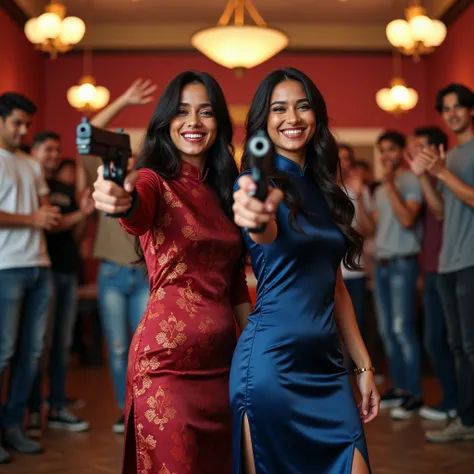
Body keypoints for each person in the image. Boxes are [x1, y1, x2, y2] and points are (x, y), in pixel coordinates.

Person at [92, 71, 252, 474]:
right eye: (182, 112)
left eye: (206, 112)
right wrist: (119, 201)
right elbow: (135, 209)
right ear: (166, 121)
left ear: (219, 123)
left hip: (224, 366)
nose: (194, 122)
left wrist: (253, 349)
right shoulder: (152, 180)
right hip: (166, 367)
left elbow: (234, 283)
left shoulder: (226, 189)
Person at [231, 67, 379, 474]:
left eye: (302, 107)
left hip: (329, 369)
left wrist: (363, 366)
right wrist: (256, 214)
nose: (292, 118)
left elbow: (336, 289)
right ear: (264, 121)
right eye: (279, 109)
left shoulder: (325, 187)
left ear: (317, 117)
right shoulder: (254, 183)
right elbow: (263, 230)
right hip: (271, 367)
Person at [79, 79, 157, 434]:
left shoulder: (148, 180)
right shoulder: (103, 173)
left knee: (143, 349)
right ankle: (123, 411)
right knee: (116, 347)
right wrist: (124, 98)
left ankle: (142, 409)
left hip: (144, 276)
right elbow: (89, 130)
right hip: (111, 274)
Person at [406, 83, 474, 443]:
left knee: (469, 345)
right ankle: (465, 416)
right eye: (445, 109)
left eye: (457, 107)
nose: (451, 114)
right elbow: (441, 211)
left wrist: (444, 172)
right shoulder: (453, 154)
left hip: (470, 261)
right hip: (448, 261)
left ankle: (468, 419)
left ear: (470, 110)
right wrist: (423, 176)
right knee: (458, 344)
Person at [0, 93, 60, 462]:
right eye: (17, 123)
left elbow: (43, 206)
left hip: (41, 265)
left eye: (27, 125)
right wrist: (33, 220)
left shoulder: (30, 163)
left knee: (33, 353)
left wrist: (51, 214)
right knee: (3, 352)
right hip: (5, 267)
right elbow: (32, 216)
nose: (23, 131)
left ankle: (13, 426)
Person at [27, 150, 94, 434]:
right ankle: (31, 411)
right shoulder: (34, 186)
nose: (54, 155)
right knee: (37, 347)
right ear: (35, 152)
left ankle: (55, 405)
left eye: (58, 149)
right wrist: (82, 213)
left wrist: (82, 218)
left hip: (68, 271)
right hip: (43, 273)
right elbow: (51, 226)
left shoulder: (66, 190)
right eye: (49, 149)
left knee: (61, 345)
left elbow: (75, 235)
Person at [370, 131, 424, 420]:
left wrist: (390, 184)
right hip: (382, 265)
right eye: (382, 150)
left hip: (404, 264)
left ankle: (414, 393)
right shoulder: (379, 189)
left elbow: (407, 219)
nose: (385, 155)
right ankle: (400, 388)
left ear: (401, 152)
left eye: (390, 149)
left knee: (403, 329)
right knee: (387, 331)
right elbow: (374, 229)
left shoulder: (411, 181)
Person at [405, 126, 457, 422]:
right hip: (433, 268)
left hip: (451, 267)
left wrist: (425, 175)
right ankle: (453, 399)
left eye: (420, 147)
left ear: (437, 150)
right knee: (436, 340)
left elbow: (440, 213)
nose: (415, 154)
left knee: (452, 342)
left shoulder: (445, 175)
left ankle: (456, 402)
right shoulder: (425, 177)